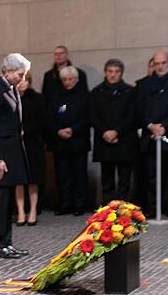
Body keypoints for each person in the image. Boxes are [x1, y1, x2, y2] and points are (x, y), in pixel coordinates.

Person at [0, 53, 31, 259]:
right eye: (20, 74)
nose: (21, 78)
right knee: (0, 200)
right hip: (1, 155)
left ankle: (7, 242)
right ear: (8, 71)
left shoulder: (10, 89)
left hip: (12, 153)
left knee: (8, 200)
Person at [136, 50, 168, 217]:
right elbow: (139, 108)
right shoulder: (144, 84)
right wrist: (151, 126)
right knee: (151, 174)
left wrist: (164, 127)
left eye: (163, 63)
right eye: (157, 63)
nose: (160, 66)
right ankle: (153, 206)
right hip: (150, 135)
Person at [90, 59, 137, 204]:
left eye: (116, 72)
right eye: (110, 71)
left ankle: (124, 210)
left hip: (124, 140)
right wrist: (105, 132)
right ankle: (107, 211)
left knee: (124, 180)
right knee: (107, 180)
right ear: (105, 72)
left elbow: (132, 116)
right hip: (104, 141)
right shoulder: (96, 92)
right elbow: (92, 116)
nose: (113, 75)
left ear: (121, 73)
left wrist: (116, 132)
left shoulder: (130, 91)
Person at [47, 66, 91, 215]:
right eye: (64, 79)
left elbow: (88, 118)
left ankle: (80, 204)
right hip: (60, 142)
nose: (67, 82)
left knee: (79, 175)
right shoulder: (56, 96)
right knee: (62, 175)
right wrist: (58, 130)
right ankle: (65, 203)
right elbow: (49, 117)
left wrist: (73, 129)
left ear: (77, 79)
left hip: (78, 141)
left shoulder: (85, 96)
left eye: (70, 79)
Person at [14, 72, 45, 226]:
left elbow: (41, 121)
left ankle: (32, 211)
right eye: (19, 80)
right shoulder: (10, 99)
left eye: (25, 81)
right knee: (19, 180)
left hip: (33, 143)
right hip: (15, 143)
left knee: (33, 179)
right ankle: (20, 212)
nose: (22, 83)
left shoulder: (37, 99)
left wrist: (25, 131)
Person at [42, 45, 88, 111]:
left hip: (75, 110)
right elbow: (45, 97)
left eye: (61, 53)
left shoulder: (80, 73)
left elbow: (84, 95)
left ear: (67, 55)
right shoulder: (48, 75)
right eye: (56, 54)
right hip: (54, 112)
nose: (58, 56)